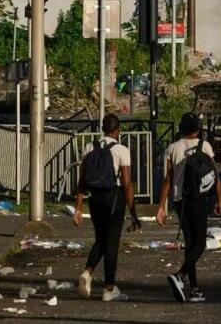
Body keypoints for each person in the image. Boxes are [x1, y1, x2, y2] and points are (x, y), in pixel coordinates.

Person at [156, 112, 221, 303]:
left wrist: (161, 206)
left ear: (181, 129)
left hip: (180, 201)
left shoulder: (171, 149)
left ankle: (194, 289)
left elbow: (167, 180)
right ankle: (180, 276)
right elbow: (214, 174)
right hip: (199, 199)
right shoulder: (206, 146)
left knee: (190, 242)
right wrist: (220, 198)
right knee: (200, 244)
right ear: (197, 129)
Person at [73, 114, 141, 301]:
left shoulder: (89, 147)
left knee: (101, 239)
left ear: (103, 128)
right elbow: (127, 184)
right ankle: (109, 288)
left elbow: (82, 181)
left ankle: (87, 272)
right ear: (118, 130)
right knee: (111, 243)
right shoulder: (121, 149)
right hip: (113, 198)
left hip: (94, 199)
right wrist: (134, 213)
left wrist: (78, 209)